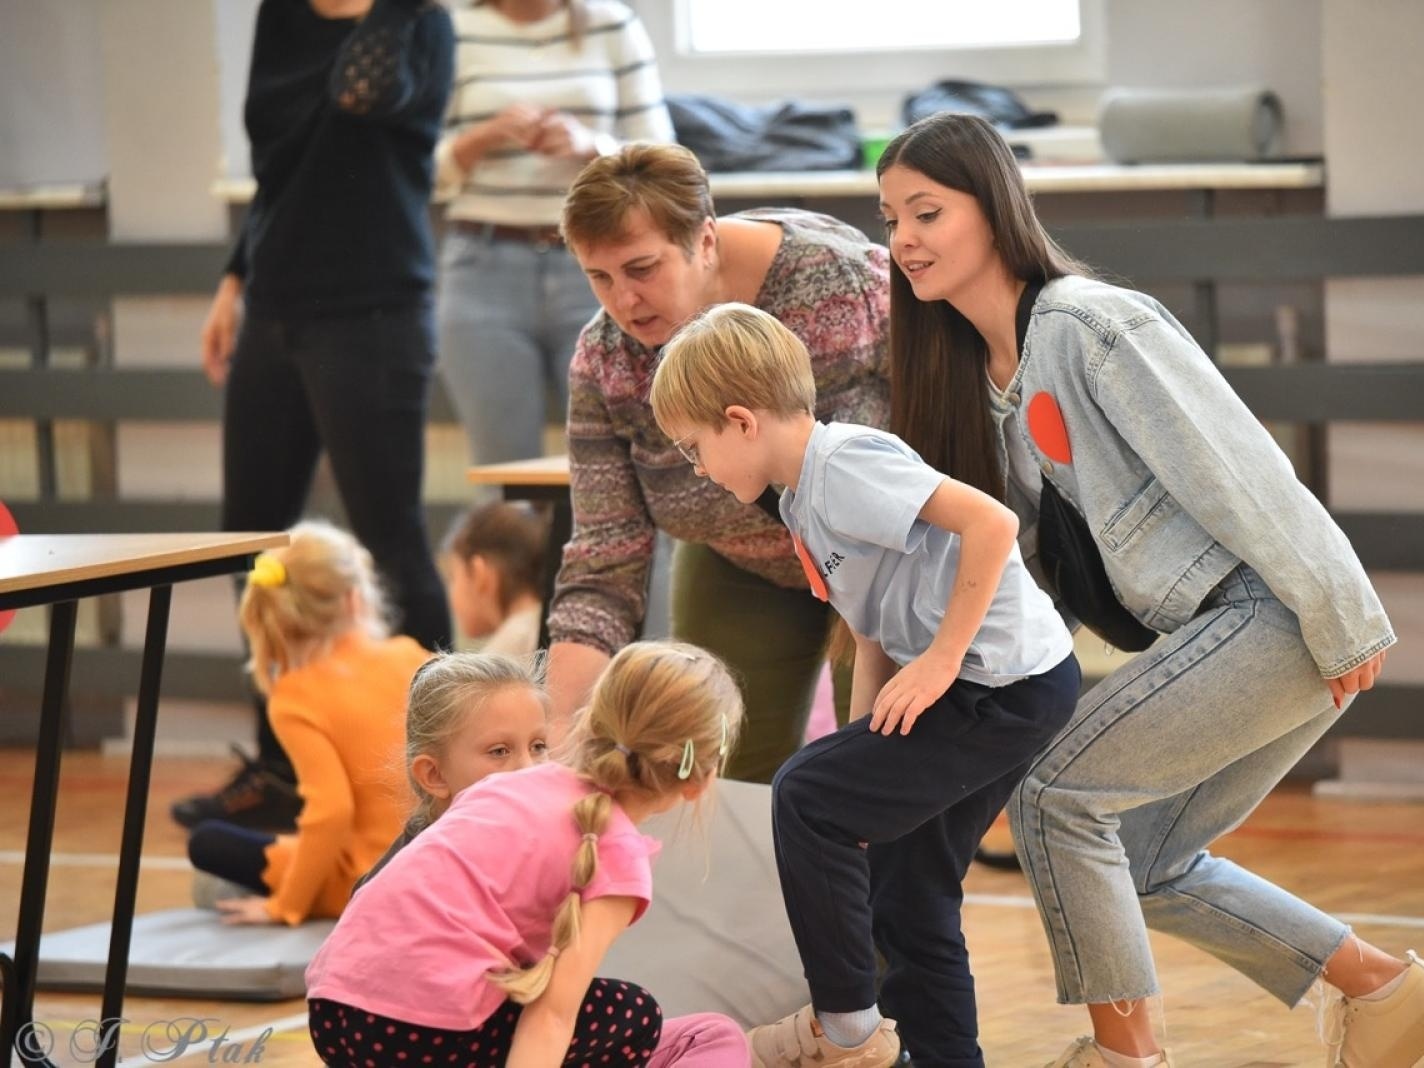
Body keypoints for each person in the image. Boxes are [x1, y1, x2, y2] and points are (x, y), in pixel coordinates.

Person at [875, 111, 1424, 1068]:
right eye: (891, 217)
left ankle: (1127, 1057)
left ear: (992, 210)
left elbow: (1238, 469)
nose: (902, 239)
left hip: (1275, 616)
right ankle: (1385, 993)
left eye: (927, 212)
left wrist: (1340, 617)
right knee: (1140, 860)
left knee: (1056, 798)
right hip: (1227, 632)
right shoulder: (984, 375)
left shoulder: (1089, 325)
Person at [650, 304, 1082, 1068]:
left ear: (741, 421)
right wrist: (856, 739)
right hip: (988, 688)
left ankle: (847, 1023)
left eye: (695, 449)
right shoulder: (797, 499)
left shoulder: (843, 464)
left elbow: (990, 523)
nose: (700, 470)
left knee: (806, 796)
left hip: (1004, 684)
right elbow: (871, 624)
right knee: (907, 891)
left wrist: (944, 659)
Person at [180, 0, 455, 833]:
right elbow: (280, 161)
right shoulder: (280, 14)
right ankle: (281, 763)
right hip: (274, 307)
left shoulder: (417, 22)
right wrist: (235, 279)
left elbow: (357, 96)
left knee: (388, 539)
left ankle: (443, 770)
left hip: (371, 314)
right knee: (251, 543)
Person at [546, 143, 891, 781]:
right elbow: (603, 557)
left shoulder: (851, 283)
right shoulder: (605, 361)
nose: (623, 300)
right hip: (741, 562)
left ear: (705, 240)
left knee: (874, 765)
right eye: (599, 277)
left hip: (883, 557)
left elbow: (966, 421)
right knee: (715, 766)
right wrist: (551, 744)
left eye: (642, 268)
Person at [306, 641, 750, 1067]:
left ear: (590, 721)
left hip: (332, 1008)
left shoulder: (506, 785)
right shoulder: (618, 856)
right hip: (419, 1031)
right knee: (633, 1015)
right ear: (699, 780)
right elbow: (552, 1017)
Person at [436, 0, 673, 465]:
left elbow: (664, 159)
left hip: (600, 266)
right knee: (503, 472)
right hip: (481, 268)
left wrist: (594, 148)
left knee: (624, 459)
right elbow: (406, 167)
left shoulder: (612, 24)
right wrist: (482, 138)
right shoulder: (451, 31)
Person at [187, 521, 429, 926]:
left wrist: (284, 906)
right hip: (439, 862)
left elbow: (331, 812)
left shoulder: (294, 695)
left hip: (371, 881)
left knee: (207, 847)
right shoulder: (410, 655)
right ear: (354, 599)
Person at [354, 650, 552, 893]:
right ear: (434, 775)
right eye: (499, 751)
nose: (528, 768)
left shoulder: (543, 844)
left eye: (538, 746)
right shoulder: (404, 889)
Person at [441, 499, 551, 657]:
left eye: (453, 577)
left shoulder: (504, 658)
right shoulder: (553, 627)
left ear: (479, 574)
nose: (450, 593)